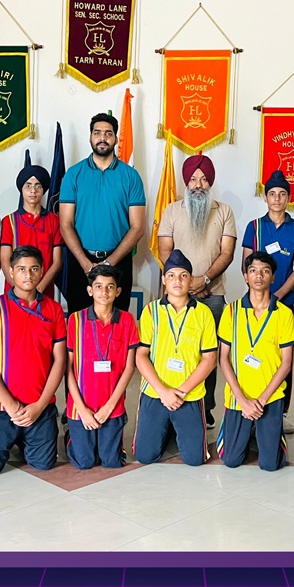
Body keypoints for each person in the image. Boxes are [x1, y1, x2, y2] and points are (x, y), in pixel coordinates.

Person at [157, 152, 237, 426]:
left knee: (208, 355)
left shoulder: (224, 211)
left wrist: (204, 280)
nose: (198, 184)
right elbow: (165, 250)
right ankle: (169, 404)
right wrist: (185, 284)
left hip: (213, 295)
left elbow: (227, 253)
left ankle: (206, 407)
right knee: (172, 349)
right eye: (193, 179)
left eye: (203, 179)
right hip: (176, 295)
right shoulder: (171, 210)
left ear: (210, 181)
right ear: (186, 182)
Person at [0, 245, 66, 475]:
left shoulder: (54, 309)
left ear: (42, 271)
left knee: (43, 464)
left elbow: (60, 361)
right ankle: (7, 436)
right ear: (11, 272)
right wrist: (11, 405)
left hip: (40, 406)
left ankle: (25, 437)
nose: (28, 275)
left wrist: (40, 405)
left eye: (34, 269)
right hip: (2, 407)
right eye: (22, 269)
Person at [134, 250, 218, 466]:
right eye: (171, 275)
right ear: (164, 280)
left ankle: (174, 425)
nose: (177, 281)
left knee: (195, 459)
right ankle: (167, 426)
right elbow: (141, 355)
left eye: (183, 275)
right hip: (155, 392)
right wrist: (164, 392)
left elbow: (210, 359)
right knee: (145, 456)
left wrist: (180, 392)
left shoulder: (203, 313)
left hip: (189, 394)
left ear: (191, 280)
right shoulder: (151, 311)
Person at [59, 113, 146, 315]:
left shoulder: (131, 176)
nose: (102, 138)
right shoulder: (74, 174)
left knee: (116, 322)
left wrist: (108, 264)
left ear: (115, 138)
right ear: (90, 137)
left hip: (119, 261)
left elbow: (138, 227)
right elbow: (65, 224)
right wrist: (86, 264)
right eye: (97, 133)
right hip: (80, 261)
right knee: (80, 322)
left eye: (108, 133)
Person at [216, 252, 294, 471]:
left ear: (273, 277)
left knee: (270, 464)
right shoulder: (231, 311)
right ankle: (244, 429)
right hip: (238, 397)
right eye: (253, 271)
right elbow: (223, 358)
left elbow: (286, 363)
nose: (259, 275)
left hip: (269, 397)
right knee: (231, 460)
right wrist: (242, 399)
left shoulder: (284, 314)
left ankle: (268, 432)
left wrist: (260, 400)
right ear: (245, 276)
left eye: (265, 271)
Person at [241, 169, 294, 421]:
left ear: (289, 198)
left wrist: (277, 295)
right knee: (252, 352)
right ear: (265, 197)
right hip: (254, 303)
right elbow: (246, 264)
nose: (277, 199)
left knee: (282, 358)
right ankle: (249, 404)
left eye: (282, 194)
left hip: (283, 303)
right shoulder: (254, 227)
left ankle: (281, 412)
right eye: (272, 194)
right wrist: (261, 294)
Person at [64, 264, 139, 469]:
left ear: (118, 291)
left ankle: (106, 439)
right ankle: (72, 435)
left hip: (112, 405)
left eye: (109, 287)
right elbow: (68, 368)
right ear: (90, 291)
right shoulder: (75, 320)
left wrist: (109, 406)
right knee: (84, 462)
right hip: (81, 406)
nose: (104, 292)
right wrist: (82, 409)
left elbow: (129, 367)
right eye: (98, 287)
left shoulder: (127, 320)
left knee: (112, 461)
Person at [0, 156, 63, 300]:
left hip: (44, 292)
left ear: (43, 190)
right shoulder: (9, 221)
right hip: (15, 294)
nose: (33, 191)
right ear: (21, 189)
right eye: (28, 186)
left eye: (38, 186)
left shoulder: (54, 221)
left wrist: (39, 289)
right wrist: (20, 290)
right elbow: (5, 261)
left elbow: (57, 261)